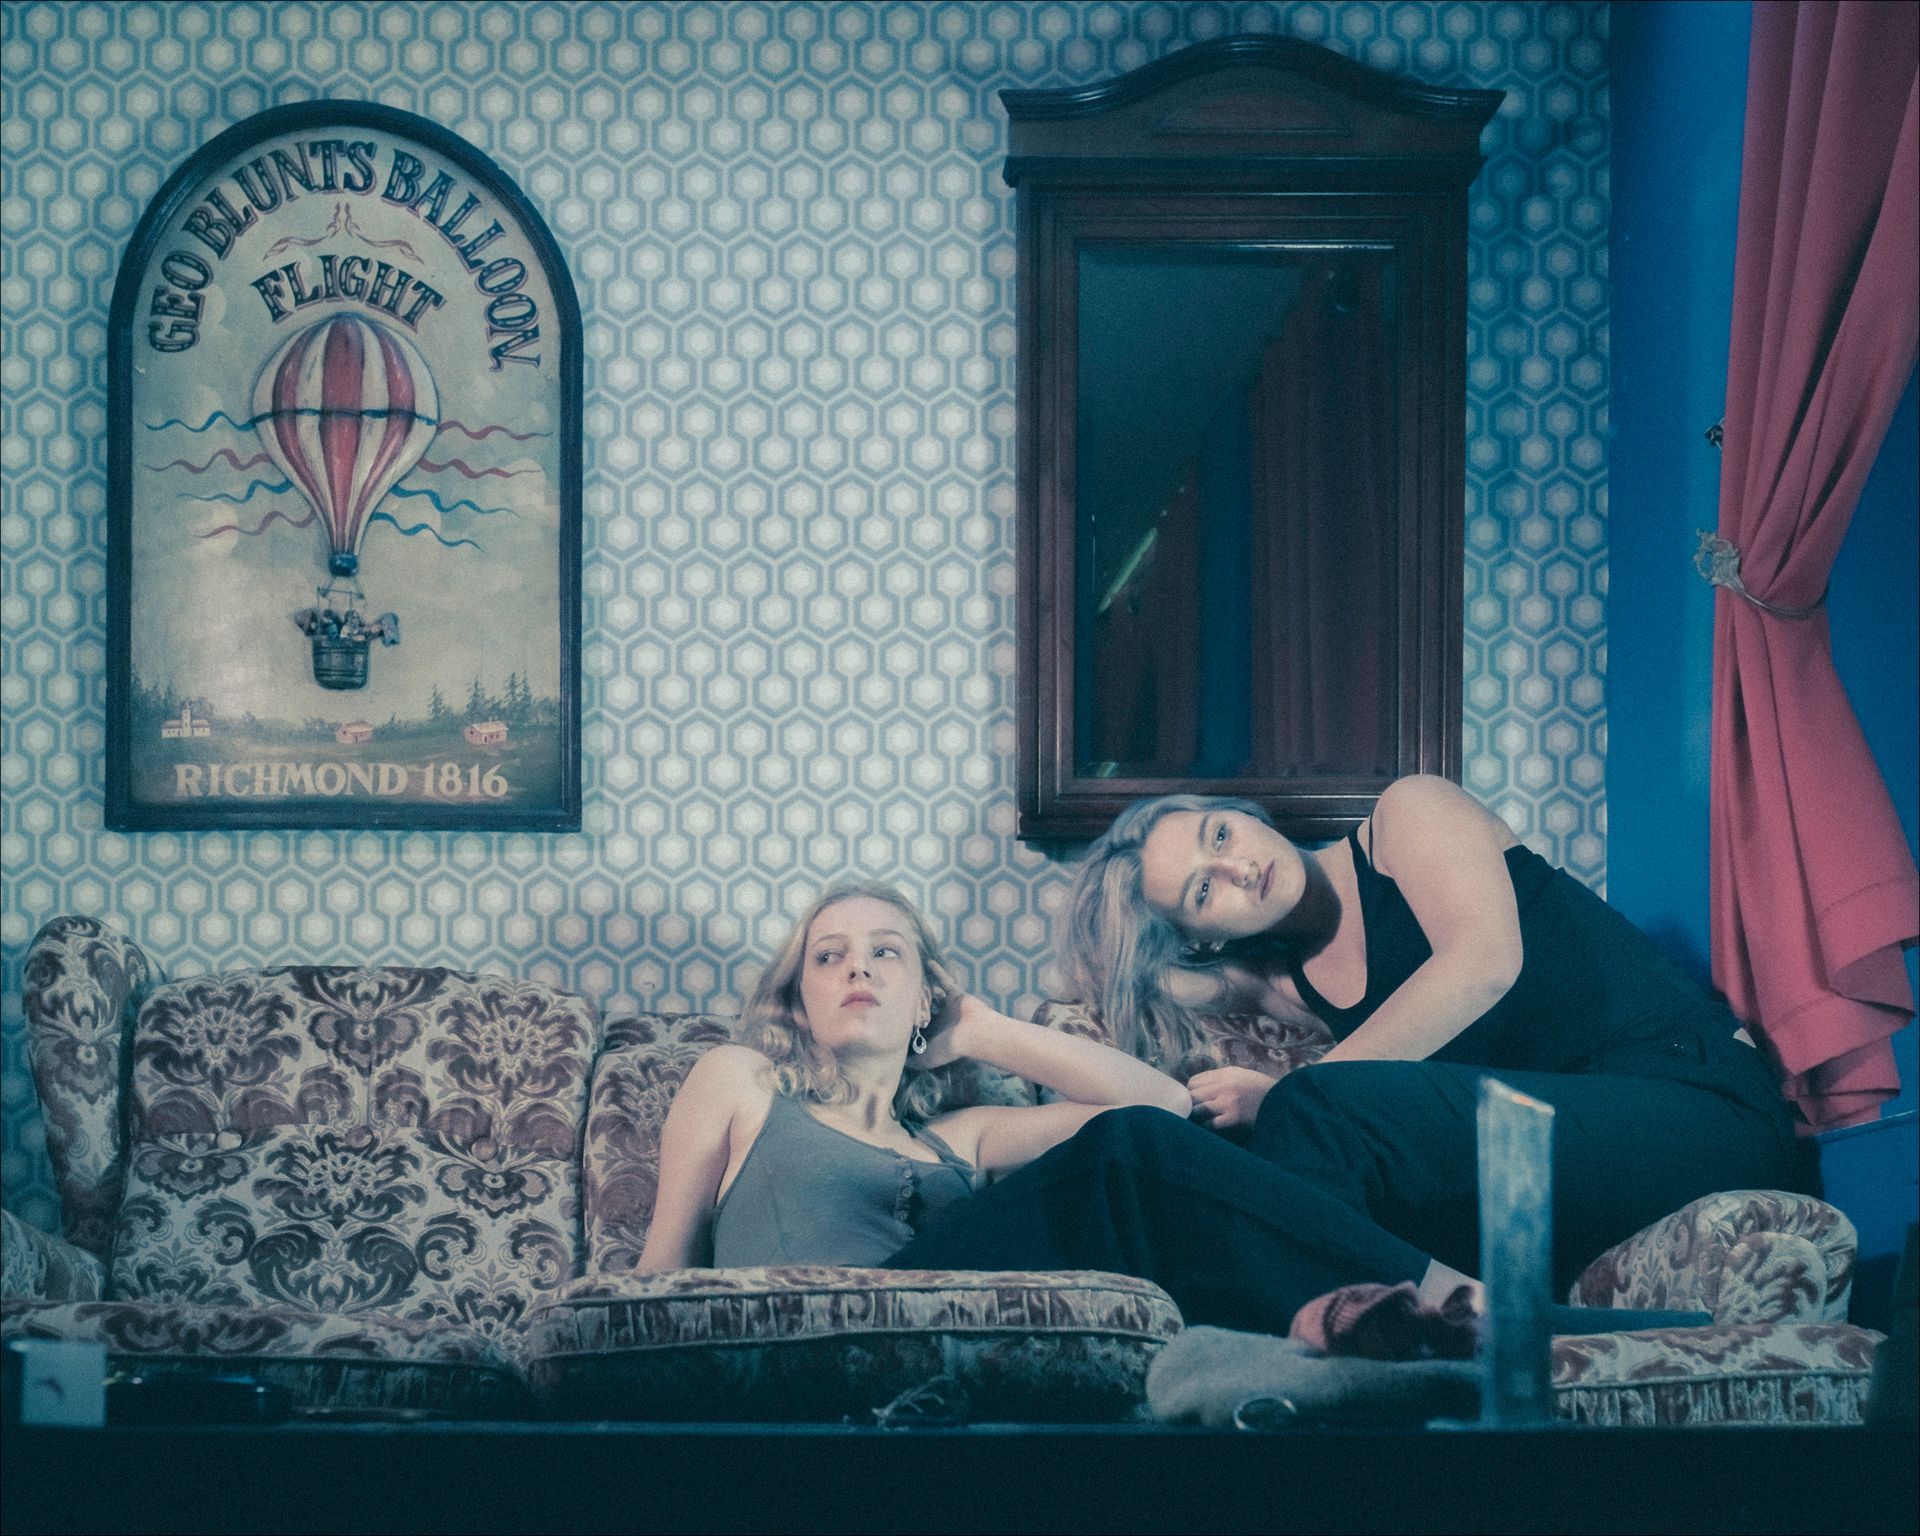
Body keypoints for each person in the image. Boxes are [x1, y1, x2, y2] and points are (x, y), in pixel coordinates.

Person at [639, 879, 1511, 1334]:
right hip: (811, 1331)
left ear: (924, 998)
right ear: (798, 997)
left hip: (940, 1332)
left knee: (1150, 1189)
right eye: (827, 957)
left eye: (885, 953)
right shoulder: (741, 1081)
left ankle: (1388, 1324)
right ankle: (1442, 1297)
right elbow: (655, 1277)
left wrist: (980, 1029)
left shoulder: (958, 1139)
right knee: (1124, 1160)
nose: (856, 969)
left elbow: (1168, 1111)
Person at [1059, 775, 1813, 1298]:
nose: (1237, 868)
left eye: (1219, 834)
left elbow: (1482, 966)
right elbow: (1130, 985)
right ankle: (1374, 1343)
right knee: (1269, 1175)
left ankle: (1327, 1342)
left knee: (1309, 1118)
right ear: (1203, 943)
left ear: (1245, 815)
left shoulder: (1407, 815)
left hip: (1698, 1108)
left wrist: (1290, 1095)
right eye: (1203, 890)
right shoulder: (1290, 986)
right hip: (1563, 1155)